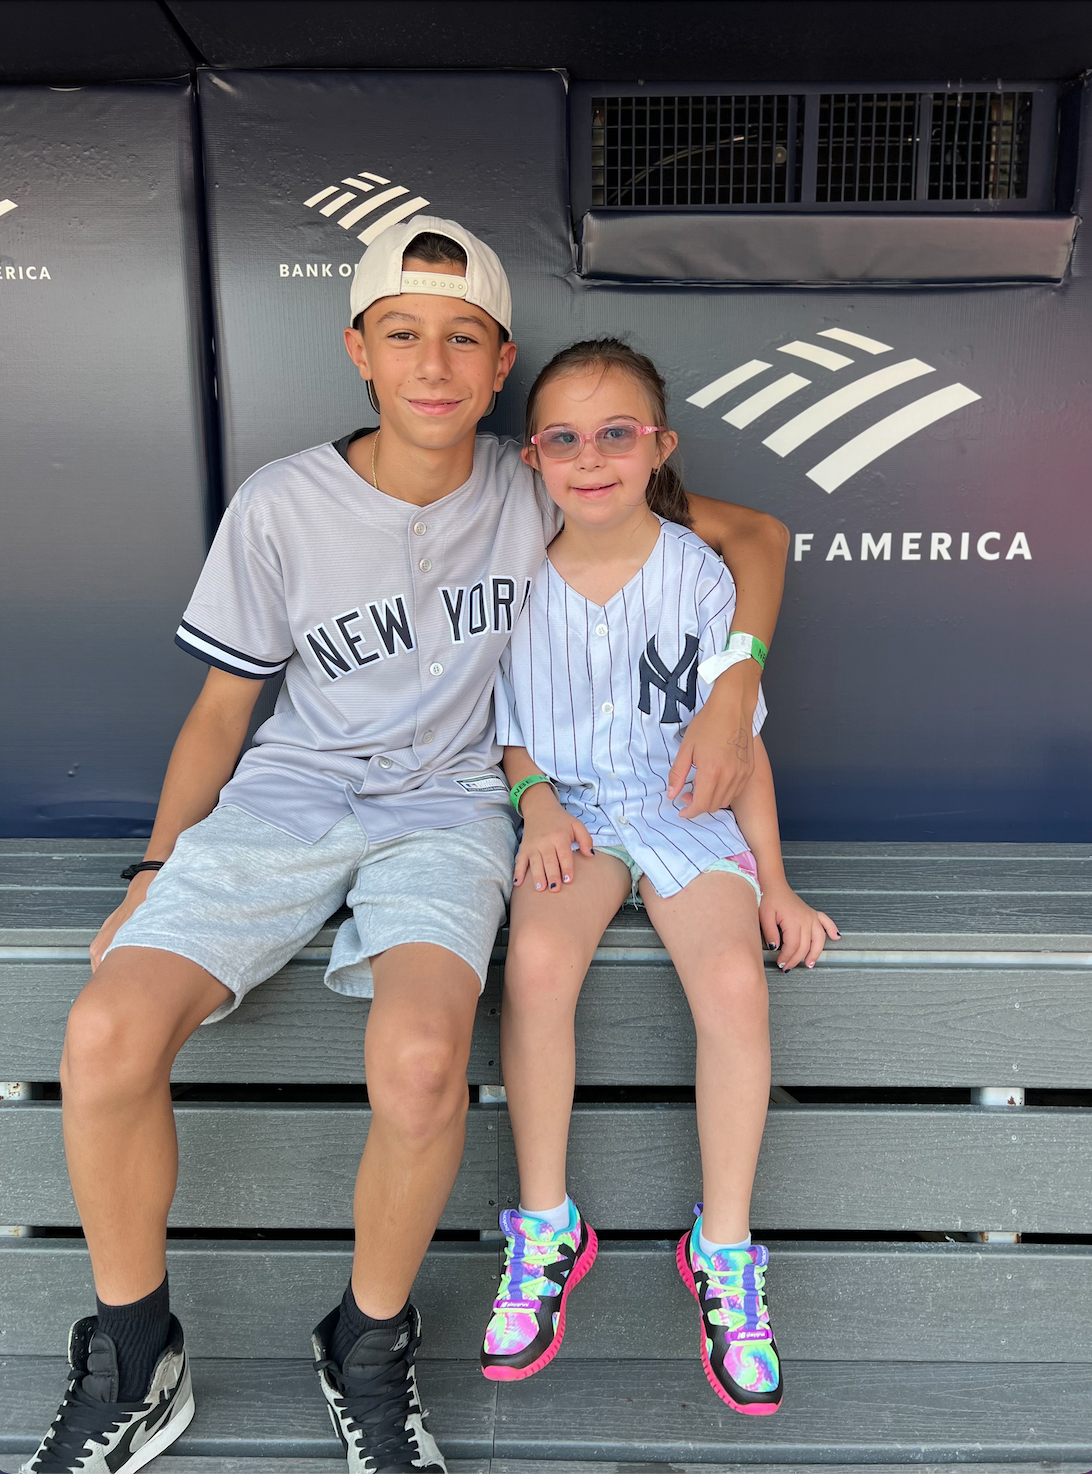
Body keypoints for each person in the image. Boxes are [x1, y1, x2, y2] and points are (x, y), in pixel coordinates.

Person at [25, 221, 789, 1474]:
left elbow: (753, 540)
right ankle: (134, 1354)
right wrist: (156, 869)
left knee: (429, 1060)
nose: (433, 365)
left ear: (499, 369)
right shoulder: (281, 501)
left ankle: (368, 1346)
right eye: (403, 334)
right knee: (104, 1031)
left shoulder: (538, 478)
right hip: (292, 794)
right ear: (358, 351)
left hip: (448, 805)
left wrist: (735, 679)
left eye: (463, 339)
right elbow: (221, 711)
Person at [478, 339, 837, 1416]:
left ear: (659, 446)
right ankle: (548, 1227)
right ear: (532, 458)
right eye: (564, 439)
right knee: (536, 968)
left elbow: (738, 749)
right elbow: (506, 729)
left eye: (616, 435)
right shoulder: (513, 575)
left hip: (682, 808)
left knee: (732, 983)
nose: (591, 458)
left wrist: (775, 881)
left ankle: (722, 1249)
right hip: (573, 812)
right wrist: (533, 801)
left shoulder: (701, 574)